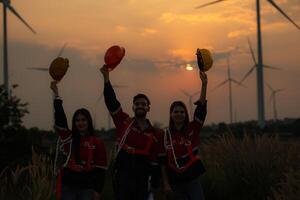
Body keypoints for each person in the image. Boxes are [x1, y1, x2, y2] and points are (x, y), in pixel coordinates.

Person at [100, 65, 163, 200]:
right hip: (123, 175)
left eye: (143, 104)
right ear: (133, 107)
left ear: (148, 108)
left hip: (142, 178)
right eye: (137, 104)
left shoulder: (154, 134)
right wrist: (106, 78)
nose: (140, 106)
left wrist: (155, 184)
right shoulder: (123, 122)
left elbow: (154, 162)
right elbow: (111, 102)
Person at [51, 80, 107, 200]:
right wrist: (56, 95)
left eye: (83, 120)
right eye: (77, 120)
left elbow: (101, 171)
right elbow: (60, 118)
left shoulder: (98, 143)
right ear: (74, 123)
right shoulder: (68, 138)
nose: (80, 123)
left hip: (87, 187)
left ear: (89, 122)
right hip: (68, 186)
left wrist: (98, 191)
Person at [162, 67, 208, 200]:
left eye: (182, 112)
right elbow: (163, 162)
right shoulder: (166, 136)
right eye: (175, 112)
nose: (179, 114)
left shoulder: (193, 128)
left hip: (192, 179)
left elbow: (201, 110)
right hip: (175, 181)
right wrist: (165, 183)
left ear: (186, 114)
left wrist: (204, 85)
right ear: (171, 114)